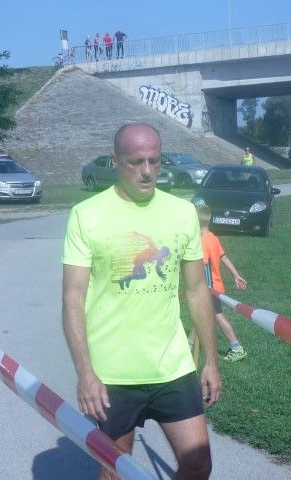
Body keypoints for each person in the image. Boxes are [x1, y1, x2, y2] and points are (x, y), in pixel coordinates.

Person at [62, 123, 221, 480]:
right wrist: (85, 373)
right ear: (116, 161)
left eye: (155, 160)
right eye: (136, 162)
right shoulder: (87, 215)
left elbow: (197, 290)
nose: (147, 171)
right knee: (116, 471)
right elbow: (72, 298)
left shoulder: (183, 212)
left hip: (172, 366)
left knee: (198, 464)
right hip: (112, 373)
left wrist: (211, 361)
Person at [187, 204, 249, 362]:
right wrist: (236, 275)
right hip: (216, 286)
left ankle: (236, 347)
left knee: (217, 316)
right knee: (200, 315)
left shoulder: (202, 241)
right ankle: (189, 344)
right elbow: (224, 257)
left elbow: (202, 267)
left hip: (209, 288)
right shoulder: (213, 237)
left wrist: (200, 288)